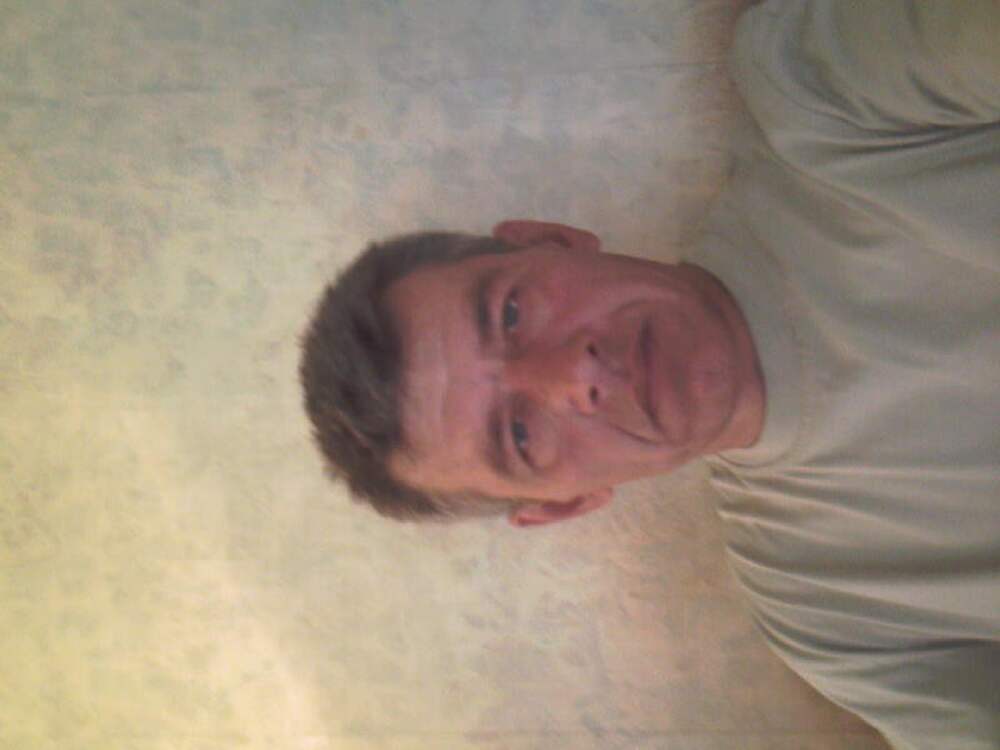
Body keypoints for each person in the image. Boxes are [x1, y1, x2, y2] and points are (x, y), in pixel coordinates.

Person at [299, 1, 999, 748]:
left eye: (511, 313)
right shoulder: (832, 617)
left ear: (551, 239)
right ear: (564, 502)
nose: (574, 375)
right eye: (520, 435)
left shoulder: (816, 98)